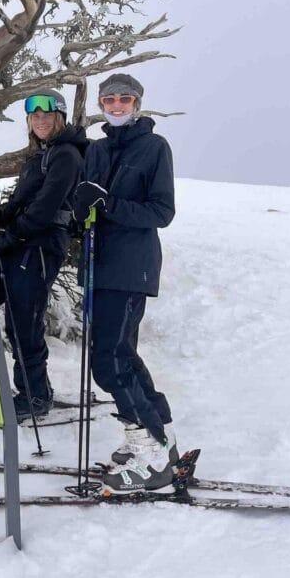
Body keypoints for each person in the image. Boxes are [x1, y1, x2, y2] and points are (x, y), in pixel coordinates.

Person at [72, 73, 177, 492]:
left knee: (109, 362)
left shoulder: (154, 147)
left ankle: (150, 451)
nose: (116, 105)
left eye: (124, 99)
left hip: (131, 267)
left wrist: (108, 203)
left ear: (137, 104)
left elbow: (161, 212)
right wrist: (81, 208)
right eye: (109, 99)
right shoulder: (97, 149)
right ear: (101, 104)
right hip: (99, 267)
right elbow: (87, 206)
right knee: (122, 355)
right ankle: (162, 435)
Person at [0, 91, 87, 422]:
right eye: (34, 116)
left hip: (40, 247)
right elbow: (23, 202)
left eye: (47, 115)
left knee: (23, 320)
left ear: (60, 117)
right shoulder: (42, 155)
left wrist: (9, 237)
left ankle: (34, 396)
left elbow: (45, 208)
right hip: (19, 242)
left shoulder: (67, 155)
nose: (40, 120)